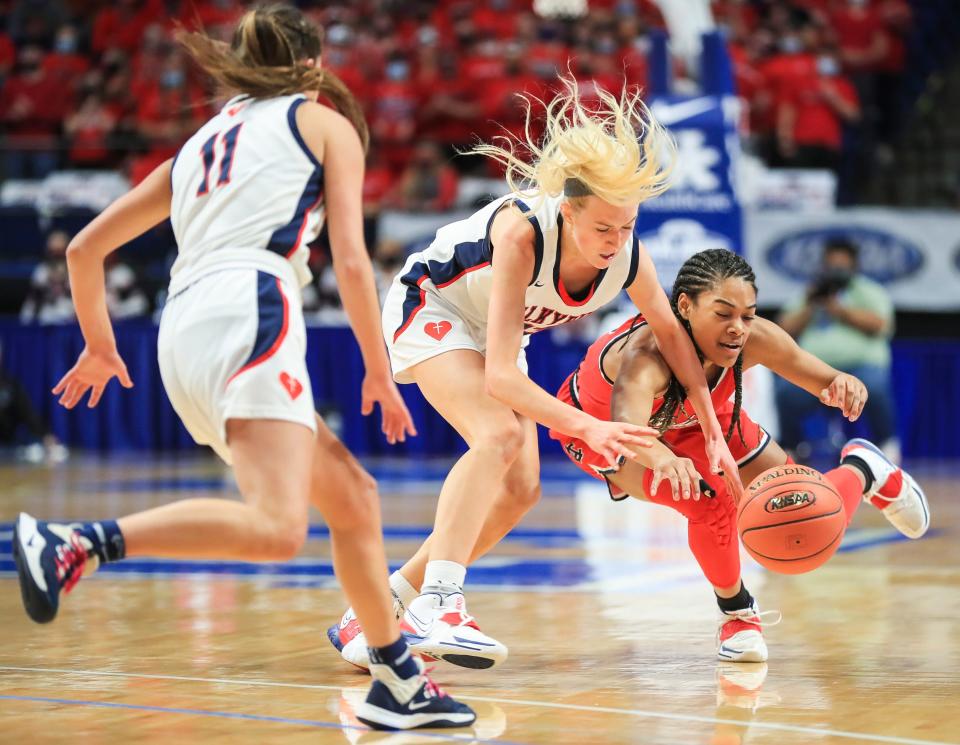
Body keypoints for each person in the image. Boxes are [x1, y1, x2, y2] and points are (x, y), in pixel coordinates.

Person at [10, 5, 474, 731]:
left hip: (181, 325)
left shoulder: (194, 146)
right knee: (278, 527)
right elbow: (351, 259)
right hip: (252, 301)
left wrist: (101, 345)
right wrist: (378, 370)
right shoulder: (324, 124)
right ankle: (78, 543)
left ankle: (397, 677)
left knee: (353, 496)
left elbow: (82, 252)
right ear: (314, 68)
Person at [329, 78, 746, 671]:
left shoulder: (628, 255)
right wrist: (590, 428)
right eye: (603, 228)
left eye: (626, 227)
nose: (615, 241)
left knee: (520, 490)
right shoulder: (523, 233)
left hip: (496, 333)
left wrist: (709, 431)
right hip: (433, 307)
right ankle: (440, 602)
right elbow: (500, 376)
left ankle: (379, 608)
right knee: (495, 435)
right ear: (568, 210)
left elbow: (675, 338)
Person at [550, 249, 929, 661]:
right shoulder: (644, 357)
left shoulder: (755, 338)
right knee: (707, 502)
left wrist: (843, 383)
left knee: (798, 501)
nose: (738, 328)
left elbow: (818, 375)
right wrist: (664, 459)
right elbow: (628, 432)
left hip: (700, 416)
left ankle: (863, 469)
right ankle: (737, 613)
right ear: (685, 306)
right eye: (723, 313)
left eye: (747, 315)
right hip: (606, 429)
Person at [776, 237, 899, 462]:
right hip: (817, 369)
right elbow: (783, 330)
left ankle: (887, 446)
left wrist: (840, 311)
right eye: (831, 266)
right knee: (786, 391)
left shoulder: (868, 291)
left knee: (876, 386)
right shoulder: (812, 293)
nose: (836, 271)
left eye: (841, 267)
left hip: (860, 368)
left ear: (853, 267)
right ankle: (792, 450)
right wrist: (813, 303)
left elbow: (880, 325)